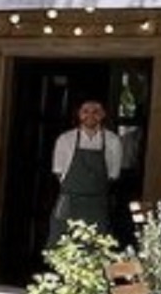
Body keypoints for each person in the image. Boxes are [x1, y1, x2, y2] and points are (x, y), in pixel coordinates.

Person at [47, 98, 122, 247]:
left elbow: (113, 174)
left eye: (96, 112)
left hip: (97, 204)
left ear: (103, 115)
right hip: (69, 201)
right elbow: (58, 171)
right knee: (62, 244)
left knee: (96, 245)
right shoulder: (65, 139)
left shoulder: (113, 141)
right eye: (86, 111)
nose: (90, 115)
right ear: (79, 114)